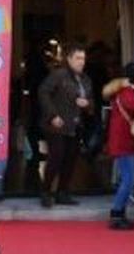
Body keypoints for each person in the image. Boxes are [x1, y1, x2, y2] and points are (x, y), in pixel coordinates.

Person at [38, 45, 94, 208]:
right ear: (69, 59)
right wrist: (52, 115)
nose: (81, 62)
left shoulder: (85, 79)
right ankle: (46, 191)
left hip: (76, 124)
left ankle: (63, 192)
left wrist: (87, 104)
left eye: (83, 59)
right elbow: (43, 92)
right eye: (78, 58)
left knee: (70, 159)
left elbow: (92, 102)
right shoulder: (59, 75)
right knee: (56, 157)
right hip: (57, 124)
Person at [107, 61, 134, 230]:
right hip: (123, 141)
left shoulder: (132, 91)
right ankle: (116, 213)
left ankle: (121, 213)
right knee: (128, 179)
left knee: (129, 178)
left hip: (129, 141)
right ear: (133, 76)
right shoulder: (127, 91)